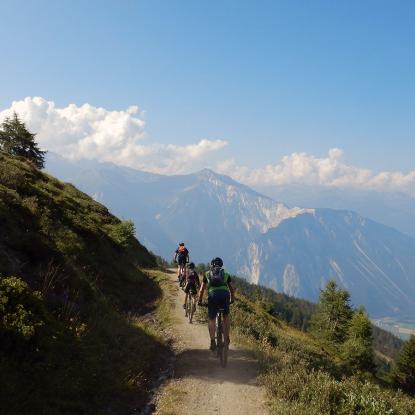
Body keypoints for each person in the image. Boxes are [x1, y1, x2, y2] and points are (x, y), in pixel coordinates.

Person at [198, 257, 235, 351]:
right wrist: (232, 299)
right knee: (226, 316)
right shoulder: (226, 274)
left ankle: (212, 342)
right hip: (224, 295)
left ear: (212, 264)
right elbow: (231, 288)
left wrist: (200, 300)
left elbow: (201, 289)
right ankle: (226, 337)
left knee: (212, 319)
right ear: (221, 265)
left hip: (213, 295)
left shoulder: (207, 273)